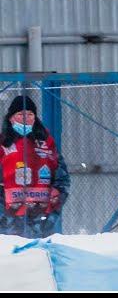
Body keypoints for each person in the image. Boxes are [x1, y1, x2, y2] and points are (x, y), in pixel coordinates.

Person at [0, 95, 70, 238]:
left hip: (40, 222)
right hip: (7, 223)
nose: (26, 118)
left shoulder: (47, 144)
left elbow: (62, 180)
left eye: (30, 114)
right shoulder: (2, 144)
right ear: (11, 118)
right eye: (20, 114)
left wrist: (52, 210)